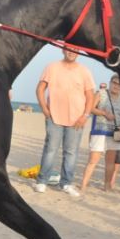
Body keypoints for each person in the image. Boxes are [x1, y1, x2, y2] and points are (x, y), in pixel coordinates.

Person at [33, 48, 95, 197]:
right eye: (68, 48)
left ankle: (66, 184)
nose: (71, 52)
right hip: (54, 117)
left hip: (77, 120)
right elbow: (40, 89)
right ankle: (42, 181)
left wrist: (85, 116)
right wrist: (44, 109)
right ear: (63, 50)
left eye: (75, 49)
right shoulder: (52, 67)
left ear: (79, 51)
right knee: (50, 150)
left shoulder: (84, 71)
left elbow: (90, 96)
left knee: (71, 153)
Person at [79, 76, 120, 194]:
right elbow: (90, 108)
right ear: (110, 83)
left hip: (115, 134)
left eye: (119, 84)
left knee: (110, 162)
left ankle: (107, 186)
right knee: (93, 160)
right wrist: (104, 113)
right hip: (99, 131)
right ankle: (83, 185)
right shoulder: (101, 93)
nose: (116, 86)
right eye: (114, 83)